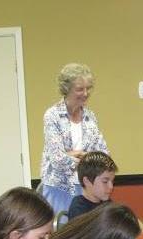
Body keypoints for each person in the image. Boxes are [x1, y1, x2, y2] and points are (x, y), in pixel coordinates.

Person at [40, 63, 109, 215]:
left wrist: (73, 154)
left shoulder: (90, 117)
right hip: (59, 188)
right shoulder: (53, 115)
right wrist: (87, 159)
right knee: (62, 234)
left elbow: (104, 155)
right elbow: (57, 160)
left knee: (84, 233)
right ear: (67, 89)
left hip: (85, 188)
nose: (85, 93)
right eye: (80, 89)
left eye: (88, 88)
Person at [68, 151, 117, 219]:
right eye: (105, 181)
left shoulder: (108, 204)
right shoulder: (78, 209)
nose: (111, 187)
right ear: (87, 181)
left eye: (112, 181)